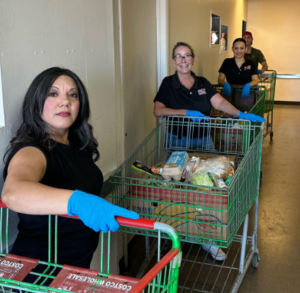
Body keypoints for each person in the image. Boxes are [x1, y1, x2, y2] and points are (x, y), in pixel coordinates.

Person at [1, 67, 139, 270]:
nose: (65, 101)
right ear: (36, 102)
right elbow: (13, 192)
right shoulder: (32, 150)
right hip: (37, 276)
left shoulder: (76, 145)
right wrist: (78, 202)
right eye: (53, 93)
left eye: (73, 95)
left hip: (74, 270)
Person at [153, 42, 265, 262]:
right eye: (179, 56)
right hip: (178, 144)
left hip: (203, 142)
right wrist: (186, 112)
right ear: (174, 61)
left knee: (210, 189)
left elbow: (219, 102)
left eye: (187, 56)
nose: (183, 60)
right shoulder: (168, 83)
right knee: (181, 190)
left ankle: (209, 238)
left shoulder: (203, 83)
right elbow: (158, 110)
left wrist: (240, 114)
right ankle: (177, 231)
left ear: (193, 59)